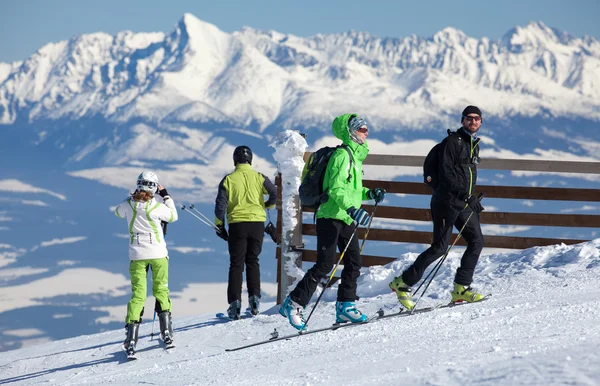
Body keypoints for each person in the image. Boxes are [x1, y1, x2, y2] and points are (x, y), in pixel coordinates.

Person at [279, 114, 386, 331]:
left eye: (366, 128)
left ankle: (346, 305)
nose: (366, 132)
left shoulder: (355, 157)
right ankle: (293, 304)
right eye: (361, 129)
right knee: (325, 264)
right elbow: (335, 189)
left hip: (346, 216)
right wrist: (353, 209)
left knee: (354, 261)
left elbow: (351, 190)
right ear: (350, 132)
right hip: (331, 216)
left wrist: (369, 193)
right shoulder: (342, 156)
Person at [389, 105, 486, 309]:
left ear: (481, 122)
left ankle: (461, 288)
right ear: (462, 120)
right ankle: (402, 283)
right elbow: (447, 173)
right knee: (440, 247)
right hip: (446, 202)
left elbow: (464, 174)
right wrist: (467, 196)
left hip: (463, 202)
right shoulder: (452, 142)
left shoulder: (473, 144)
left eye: (477, 119)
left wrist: (469, 197)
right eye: (469, 118)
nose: (473, 121)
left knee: (476, 241)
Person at [115, 171, 178, 352]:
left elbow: (118, 212)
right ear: (154, 187)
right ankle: (166, 330)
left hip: (136, 255)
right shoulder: (157, 206)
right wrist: (166, 196)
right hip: (158, 253)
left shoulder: (128, 205)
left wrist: (132, 194)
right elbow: (173, 216)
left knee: (138, 295)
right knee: (161, 290)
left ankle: (131, 337)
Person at [214, 146, 277, 320]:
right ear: (251, 160)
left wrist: (220, 226)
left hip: (237, 225)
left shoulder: (228, 180)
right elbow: (274, 192)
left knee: (236, 265)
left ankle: (234, 305)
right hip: (257, 224)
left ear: (235, 160)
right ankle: (255, 301)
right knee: (253, 261)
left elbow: (220, 206)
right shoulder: (259, 177)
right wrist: (267, 205)